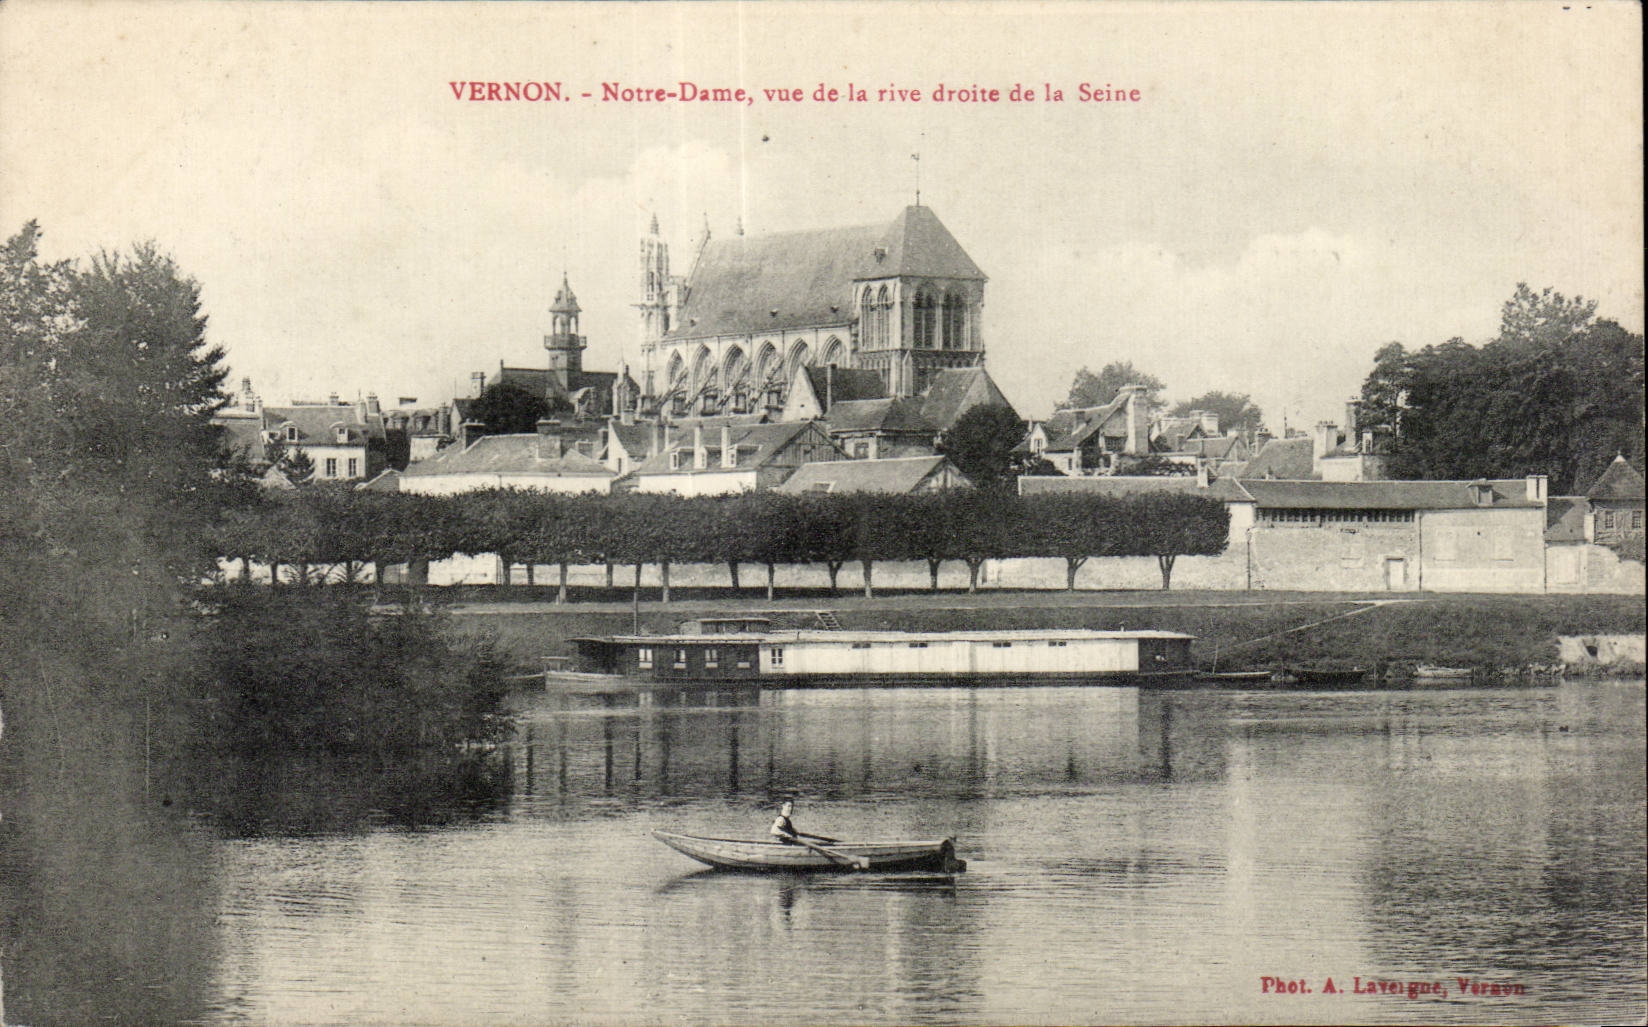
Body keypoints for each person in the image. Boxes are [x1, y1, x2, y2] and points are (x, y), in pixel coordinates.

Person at [769, 800, 835, 845]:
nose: (790, 808)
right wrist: (787, 835)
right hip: (787, 843)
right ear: (783, 806)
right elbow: (773, 830)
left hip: (791, 842)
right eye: (788, 806)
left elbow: (786, 829)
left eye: (791, 806)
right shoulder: (781, 819)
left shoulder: (786, 818)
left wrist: (795, 832)